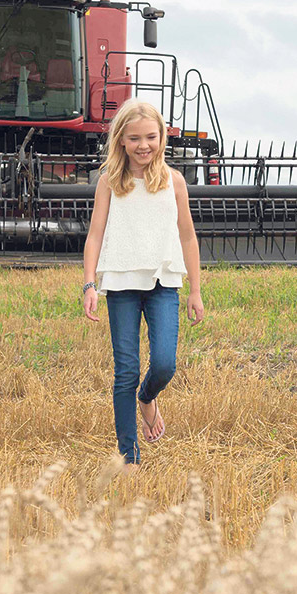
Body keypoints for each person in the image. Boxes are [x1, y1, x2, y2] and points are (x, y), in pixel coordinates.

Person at [82, 99, 204, 469]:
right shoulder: (109, 182)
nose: (143, 146)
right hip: (120, 284)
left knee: (165, 363)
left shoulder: (174, 181)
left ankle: (147, 397)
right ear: (121, 140)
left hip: (162, 284)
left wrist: (195, 289)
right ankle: (129, 457)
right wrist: (90, 285)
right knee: (126, 370)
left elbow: (187, 237)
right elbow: (95, 234)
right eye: (134, 138)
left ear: (162, 137)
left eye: (151, 137)